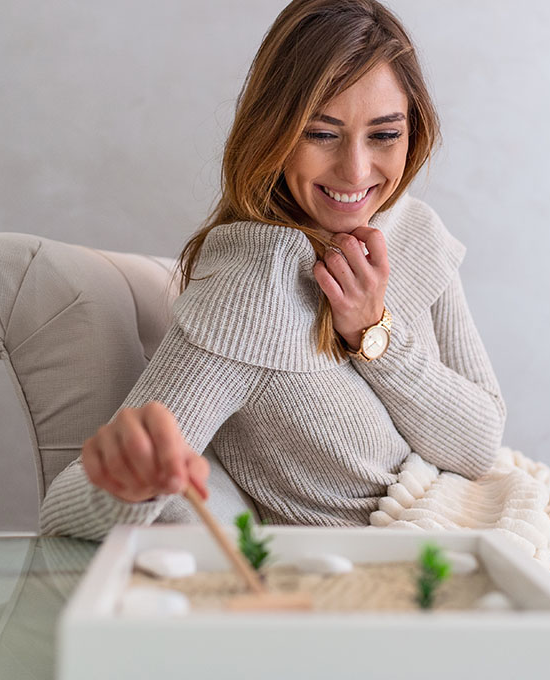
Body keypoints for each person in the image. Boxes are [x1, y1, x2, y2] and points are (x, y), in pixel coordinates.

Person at [39, 0, 505, 539]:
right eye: (321, 133)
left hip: (491, 513)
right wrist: (129, 480)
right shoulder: (252, 291)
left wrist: (373, 332)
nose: (356, 170)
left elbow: (480, 445)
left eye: (384, 134)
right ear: (274, 132)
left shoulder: (413, 228)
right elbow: (64, 509)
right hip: (405, 567)